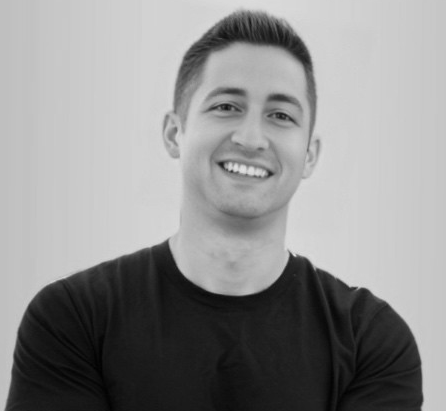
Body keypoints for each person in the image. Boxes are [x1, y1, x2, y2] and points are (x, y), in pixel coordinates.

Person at [6, 10, 422, 411]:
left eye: (280, 115)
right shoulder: (75, 319)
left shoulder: (370, 340)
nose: (251, 138)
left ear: (310, 155)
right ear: (174, 133)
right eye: (227, 106)